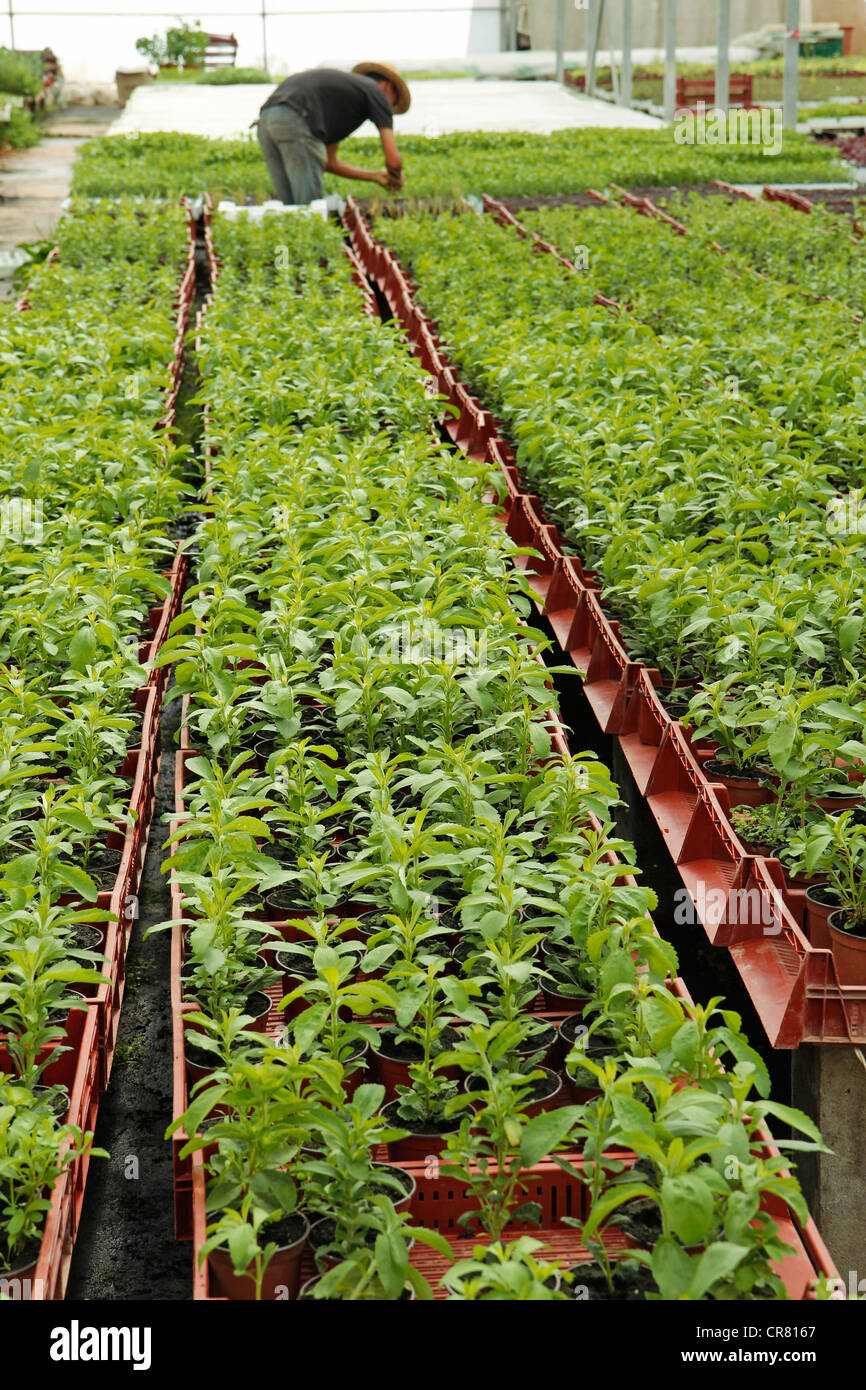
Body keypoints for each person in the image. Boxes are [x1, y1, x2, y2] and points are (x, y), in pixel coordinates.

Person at [255, 62, 410, 205]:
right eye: (394, 103)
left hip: (267, 119)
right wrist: (395, 180)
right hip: (297, 118)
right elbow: (393, 160)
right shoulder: (377, 92)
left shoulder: (343, 96)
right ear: (388, 87)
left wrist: (375, 176)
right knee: (309, 209)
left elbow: (330, 162)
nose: (390, 108)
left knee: (289, 207)